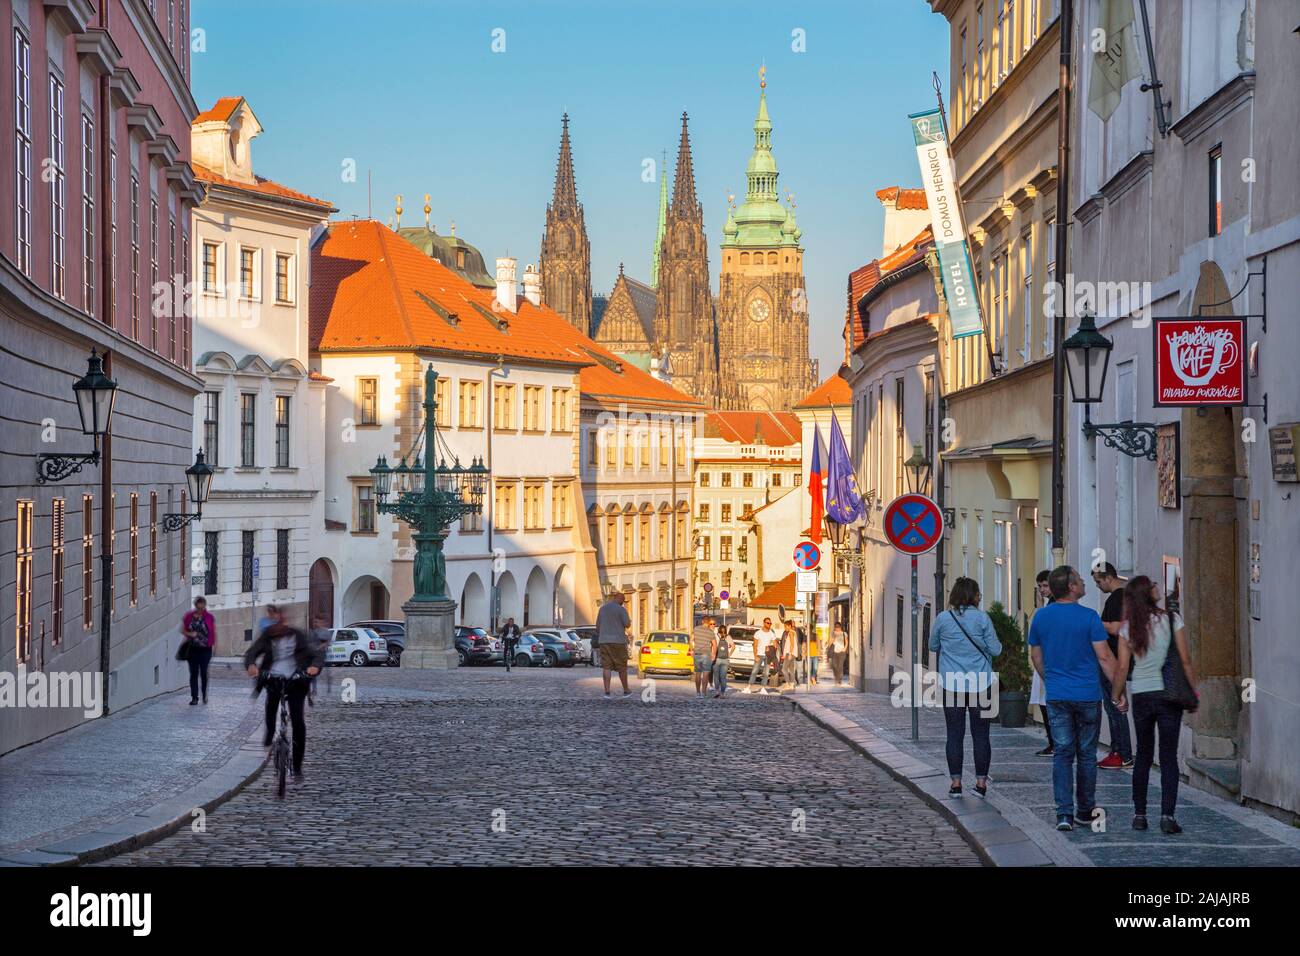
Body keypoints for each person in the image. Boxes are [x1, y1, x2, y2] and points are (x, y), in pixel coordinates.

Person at [1028, 566, 1122, 832]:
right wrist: (1119, 692)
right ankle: (1085, 810)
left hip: (1057, 695)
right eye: (1080, 580)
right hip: (1087, 695)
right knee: (1087, 755)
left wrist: (1051, 680)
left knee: (1062, 754)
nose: (1083, 583)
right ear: (1071, 587)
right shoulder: (1089, 618)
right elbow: (1104, 657)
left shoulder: (1041, 618)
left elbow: (1036, 656)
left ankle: (1063, 814)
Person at [1113, 575, 1198, 835]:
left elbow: (1123, 667)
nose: (1157, 588)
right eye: (1153, 586)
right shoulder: (1172, 620)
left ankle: (1139, 815)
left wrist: (1118, 696)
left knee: (1144, 756)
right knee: (1168, 757)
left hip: (1141, 694)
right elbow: (1185, 660)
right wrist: (1193, 692)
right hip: (1168, 695)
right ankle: (1167, 816)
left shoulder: (1128, 628)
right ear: (1148, 593)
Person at [928, 577, 1001, 798]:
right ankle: (980, 784)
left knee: (954, 734)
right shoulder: (982, 619)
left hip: (952, 685)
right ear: (973, 596)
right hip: (981, 685)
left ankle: (956, 784)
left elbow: (932, 646)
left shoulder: (943, 618)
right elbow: (996, 649)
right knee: (981, 735)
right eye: (978, 593)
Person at [243, 606, 324, 780]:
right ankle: (270, 733)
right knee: (271, 706)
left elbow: (315, 654)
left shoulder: (297, 635)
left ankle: (297, 766)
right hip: (274, 678)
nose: (276, 626)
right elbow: (252, 652)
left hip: (296, 680)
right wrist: (251, 665)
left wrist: (314, 667)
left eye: (279, 621)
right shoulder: (268, 636)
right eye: (274, 622)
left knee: (298, 721)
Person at [1092, 562, 1134, 770]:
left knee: (1115, 706)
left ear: (1108, 577)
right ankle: (1118, 750)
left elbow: (1118, 627)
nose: (1098, 586)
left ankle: (1122, 752)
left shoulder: (1118, 597)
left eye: (1099, 581)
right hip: (1115, 658)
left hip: (1114, 659)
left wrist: (1094, 623)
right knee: (1114, 705)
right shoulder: (1123, 596)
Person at [1028, 570, 1055, 756]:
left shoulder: (1052, 607)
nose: (1042, 589)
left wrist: (1039, 607)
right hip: (1044, 660)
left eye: (1045, 585)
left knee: (1048, 704)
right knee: (1045, 704)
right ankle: (1052, 741)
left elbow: (1039, 628)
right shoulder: (1048, 606)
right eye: (1040, 586)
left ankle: (1055, 742)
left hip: (1047, 660)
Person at [595, 592, 632, 699]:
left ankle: (607, 692)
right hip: (618, 642)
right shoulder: (621, 610)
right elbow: (627, 624)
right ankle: (626, 690)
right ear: (618, 598)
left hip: (604, 641)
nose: (623, 602)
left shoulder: (602, 609)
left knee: (606, 667)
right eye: (623, 600)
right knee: (622, 667)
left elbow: (597, 627)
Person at [182, 596, 216, 705]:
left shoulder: (209, 617)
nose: (201, 607)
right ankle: (194, 697)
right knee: (193, 673)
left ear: (205, 605)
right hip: (192, 649)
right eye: (198, 605)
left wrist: (215, 646)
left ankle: (204, 694)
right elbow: (183, 630)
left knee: (204, 672)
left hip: (206, 649)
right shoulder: (189, 616)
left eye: (202, 605)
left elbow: (214, 632)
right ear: (196, 605)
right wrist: (190, 634)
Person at [744, 617, 780, 694]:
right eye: (767, 623)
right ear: (764, 623)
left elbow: (775, 645)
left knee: (766, 673)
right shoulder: (758, 633)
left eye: (770, 623)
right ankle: (748, 687)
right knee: (754, 671)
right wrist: (755, 656)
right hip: (759, 655)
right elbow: (755, 645)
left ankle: (763, 688)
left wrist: (772, 650)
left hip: (768, 656)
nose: (769, 624)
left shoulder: (772, 634)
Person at [691, 616, 716, 698]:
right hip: (706, 654)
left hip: (697, 654)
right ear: (709, 623)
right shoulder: (711, 632)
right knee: (705, 674)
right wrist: (713, 654)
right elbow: (714, 644)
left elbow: (691, 640)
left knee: (697, 674)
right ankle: (703, 693)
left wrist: (691, 650)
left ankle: (698, 692)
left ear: (702, 621)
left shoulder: (696, 629)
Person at [309, 616, 333, 695]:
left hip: (323, 655)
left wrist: (321, 646)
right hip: (314, 656)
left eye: (317, 622)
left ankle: (329, 687)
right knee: (313, 673)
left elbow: (328, 642)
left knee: (327, 672)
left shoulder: (325, 632)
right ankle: (314, 689)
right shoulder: (313, 632)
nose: (315, 623)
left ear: (322, 623)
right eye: (314, 622)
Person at [711, 624, 732, 698]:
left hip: (717, 659)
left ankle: (717, 691)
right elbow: (734, 646)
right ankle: (722, 693)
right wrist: (729, 654)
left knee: (716, 676)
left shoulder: (716, 636)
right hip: (725, 659)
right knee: (723, 677)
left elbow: (713, 646)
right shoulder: (728, 637)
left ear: (719, 630)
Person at [780, 621, 799, 689]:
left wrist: (790, 653)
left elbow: (792, 644)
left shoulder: (791, 633)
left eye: (785, 626)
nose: (785, 628)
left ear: (789, 626)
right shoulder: (793, 632)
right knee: (791, 670)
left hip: (790, 653)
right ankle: (792, 684)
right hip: (792, 653)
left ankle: (788, 683)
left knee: (784, 669)